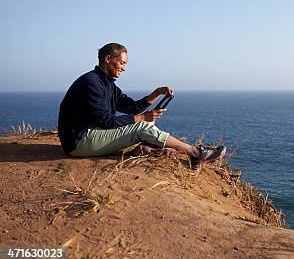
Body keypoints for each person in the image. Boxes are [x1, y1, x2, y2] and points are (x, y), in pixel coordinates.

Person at [58, 42, 225, 169]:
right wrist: (141, 118)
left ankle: (146, 147)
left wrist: (156, 93)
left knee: (147, 123)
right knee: (142, 126)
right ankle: (196, 153)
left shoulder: (107, 84)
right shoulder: (91, 83)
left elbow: (131, 107)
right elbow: (106, 121)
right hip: (78, 142)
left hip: (91, 134)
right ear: (108, 59)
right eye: (122, 63)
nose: (123, 68)